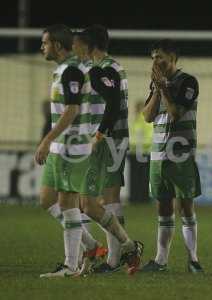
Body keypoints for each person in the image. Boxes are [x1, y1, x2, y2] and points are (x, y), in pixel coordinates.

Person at [77, 24, 143, 275]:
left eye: (80, 43)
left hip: (110, 140)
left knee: (97, 201)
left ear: (89, 45)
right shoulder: (115, 67)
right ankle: (115, 259)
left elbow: (113, 101)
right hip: (116, 138)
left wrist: (100, 133)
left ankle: (121, 253)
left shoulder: (102, 69)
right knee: (109, 199)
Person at [36, 24, 96, 277]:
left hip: (72, 147)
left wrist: (46, 140)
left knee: (68, 203)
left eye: (46, 42)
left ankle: (71, 266)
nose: (42, 47)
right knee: (47, 200)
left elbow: (72, 110)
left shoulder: (71, 70)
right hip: (62, 146)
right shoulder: (62, 70)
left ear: (58, 46)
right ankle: (92, 246)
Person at [141, 39, 203, 273]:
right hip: (158, 155)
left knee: (186, 207)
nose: (156, 61)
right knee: (163, 209)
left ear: (173, 58)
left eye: (160, 57)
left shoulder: (188, 82)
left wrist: (165, 88)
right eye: (153, 57)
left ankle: (193, 260)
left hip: (181, 154)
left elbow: (176, 113)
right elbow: (147, 117)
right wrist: (157, 88)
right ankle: (160, 261)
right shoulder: (155, 84)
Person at [129, 101, 153, 203]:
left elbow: (146, 137)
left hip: (140, 152)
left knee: (137, 177)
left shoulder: (141, 121)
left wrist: (133, 145)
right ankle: (142, 198)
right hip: (141, 152)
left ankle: (137, 198)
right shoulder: (139, 121)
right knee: (142, 177)